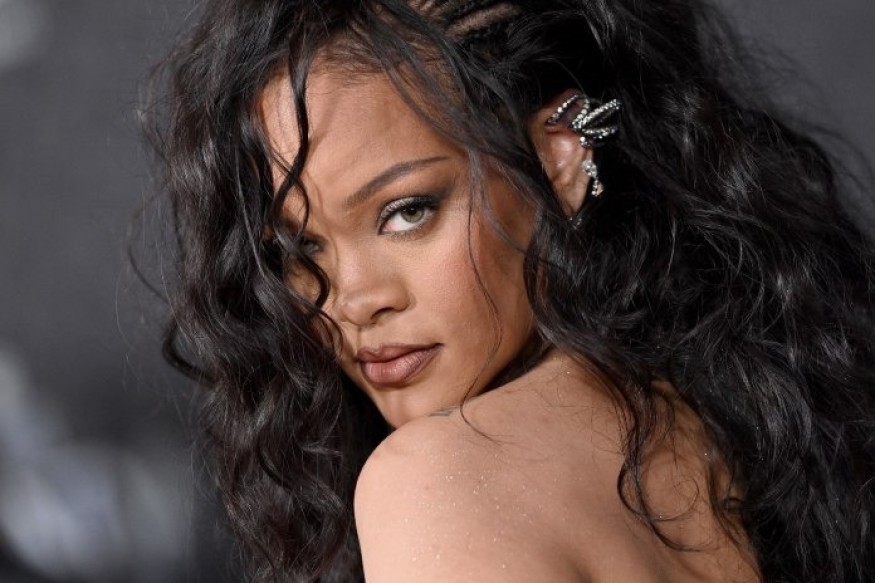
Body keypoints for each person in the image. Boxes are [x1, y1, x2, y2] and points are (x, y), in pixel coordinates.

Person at [148, 0, 875, 581]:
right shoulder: (732, 429)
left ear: (558, 158)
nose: (354, 299)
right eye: (300, 248)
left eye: (407, 212)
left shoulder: (436, 482)